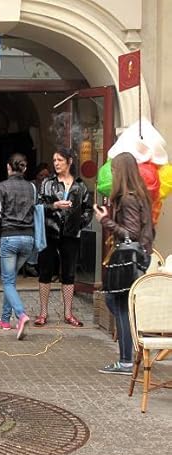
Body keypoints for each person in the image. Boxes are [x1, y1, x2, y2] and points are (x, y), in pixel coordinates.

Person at [94, 152, 154, 375]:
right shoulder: (139, 195)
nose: (112, 175)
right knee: (117, 303)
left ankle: (126, 360)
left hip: (129, 259)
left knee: (120, 306)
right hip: (138, 256)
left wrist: (105, 221)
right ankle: (130, 355)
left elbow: (131, 233)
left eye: (114, 170)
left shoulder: (128, 198)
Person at [34, 147, 93, 327]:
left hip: (71, 234)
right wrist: (55, 206)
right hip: (50, 232)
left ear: (69, 161)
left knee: (69, 273)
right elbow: (38, 205)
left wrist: (79, 224)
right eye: (54, 160)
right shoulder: (47, 183)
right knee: (45, 272)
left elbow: (88, 209)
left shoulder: (80, 186)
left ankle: (68, 313)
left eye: (60, 160)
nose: (56, 164)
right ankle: (43, 313)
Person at [0, 153, 34, 339]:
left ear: (8, 167)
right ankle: (5, 320)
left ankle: (21, 315)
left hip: (9, 237)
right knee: (11, 280)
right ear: (24, 168)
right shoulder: (31, 187)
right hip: (28, 238)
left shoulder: (2, 186)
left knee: (7, 281)